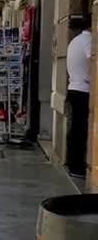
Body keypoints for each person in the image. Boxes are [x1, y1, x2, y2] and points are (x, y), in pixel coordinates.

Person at [65, 17, 91, 178]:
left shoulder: (75, 40)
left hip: (74, 87)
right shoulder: (89, 40)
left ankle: (72, 163)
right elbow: (93, 60)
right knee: (80, 131)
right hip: (83, 90)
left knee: (75, 129)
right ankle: (77, 166)